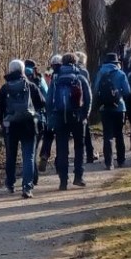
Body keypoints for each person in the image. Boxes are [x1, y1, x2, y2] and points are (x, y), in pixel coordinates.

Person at [0, 58, 45, 198]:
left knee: (11, 155)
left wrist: (3, 121)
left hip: (10, 126)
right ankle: (27, 187)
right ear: (23, 70)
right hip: (29, 125)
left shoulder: (5, 88)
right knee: (28, 156)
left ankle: (10, 184)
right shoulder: (31, 86)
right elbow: (42, 103)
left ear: (10, 70)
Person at [48, 50, 90, 189]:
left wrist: (51, 116)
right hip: (77, 116)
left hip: (60, 116)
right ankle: (78, 176)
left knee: (62, 149)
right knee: (79, 147)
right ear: (75, 62)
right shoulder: (80, 76)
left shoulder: (56, 78)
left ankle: (63, 181)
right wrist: (85, 115)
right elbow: (88, 98)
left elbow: (49, 100)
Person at [94, 52, 131, 169]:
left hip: (105, 108)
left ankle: (109, 162)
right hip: (119, 108)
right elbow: (127, 91)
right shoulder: (120, 74)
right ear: (116, 63)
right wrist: (118, 94)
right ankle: (121, 160)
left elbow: (95, 89)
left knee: (107, 135)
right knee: (119, 134)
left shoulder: (100, 73)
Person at [36, 56, 60, 172]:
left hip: (51, 112)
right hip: (63, 111)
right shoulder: (66, 75)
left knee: (48, 136)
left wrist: (48, 111)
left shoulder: (49, 74)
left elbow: (48, 95)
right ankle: (59, 160)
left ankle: (44, 155)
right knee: (61, 137)